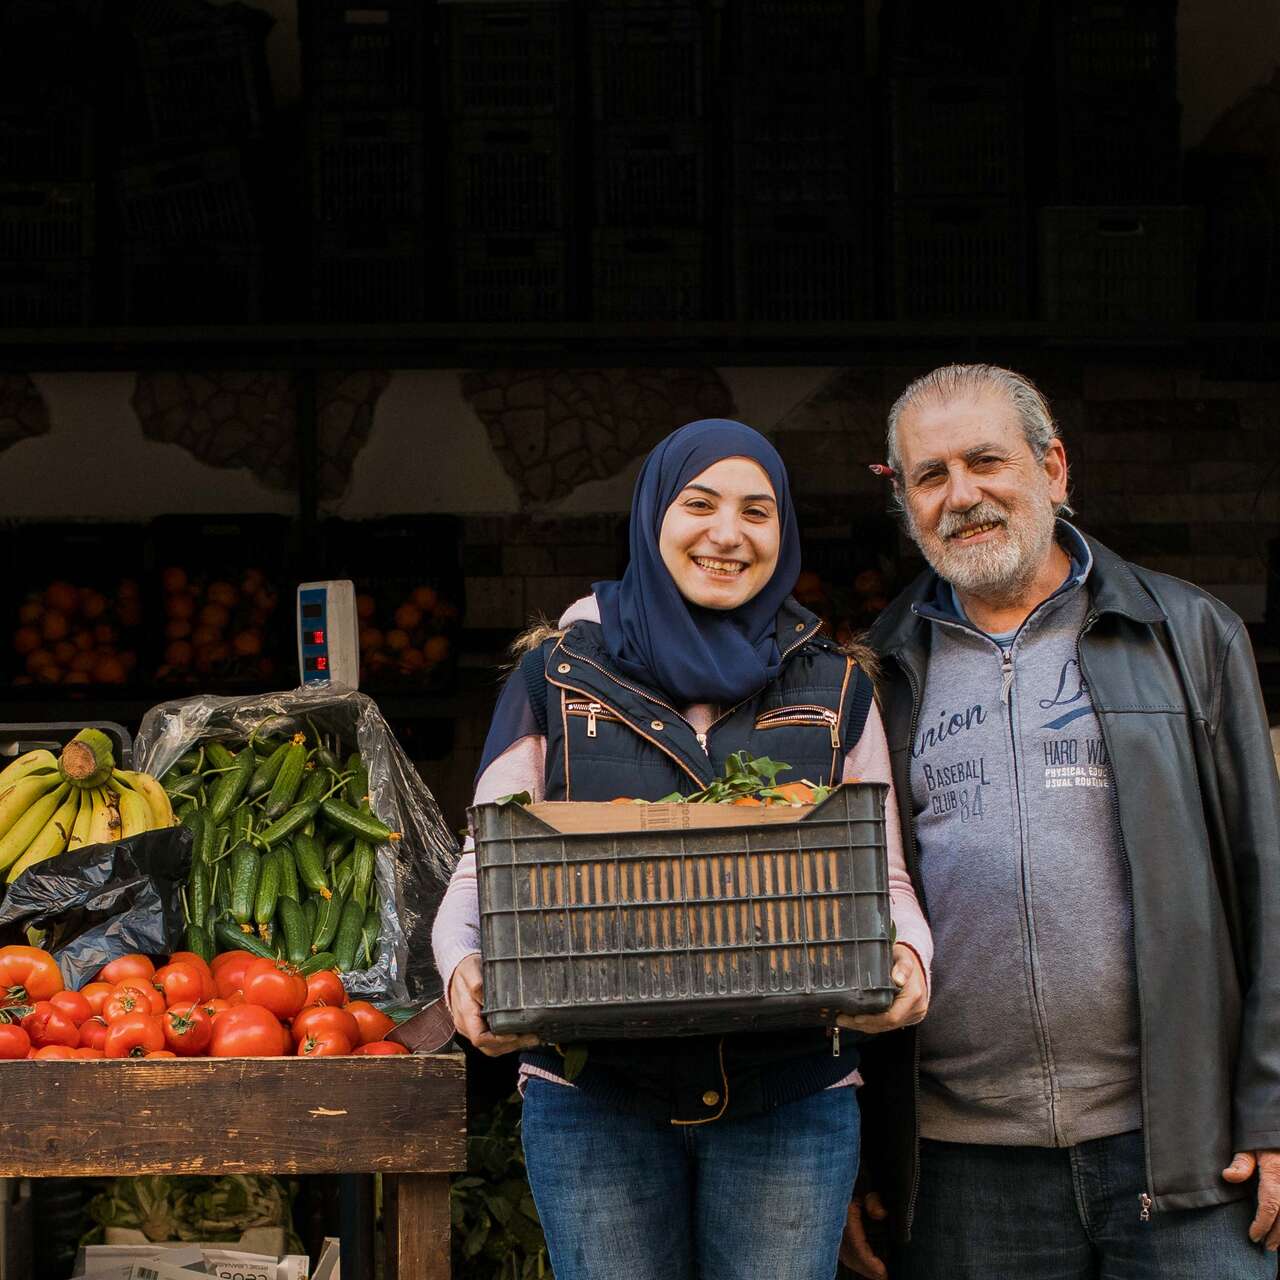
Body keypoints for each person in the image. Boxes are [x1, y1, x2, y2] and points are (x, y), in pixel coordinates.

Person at [433, 418, 933, 1280]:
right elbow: (486, 861)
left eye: (757, 511)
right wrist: (461, 969)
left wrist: (911, 961)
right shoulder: (557, 672)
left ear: (785, 533)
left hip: (792, 1095)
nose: (728, 534)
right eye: (699, 504)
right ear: (654, 513)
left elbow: (881, 874)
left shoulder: (837, 680)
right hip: (594, 1098)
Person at [841, 364, 1280, 1280]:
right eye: (930, 476)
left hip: (1184, 1148)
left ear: (1055, 468)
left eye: (986, 461)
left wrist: (1272, 1110)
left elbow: (1267, 881)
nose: (962, 495)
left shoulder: (1187, 635)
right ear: (906, 501)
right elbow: (845, 915)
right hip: (961, 1166)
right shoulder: (871, 678)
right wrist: (853, 1148)